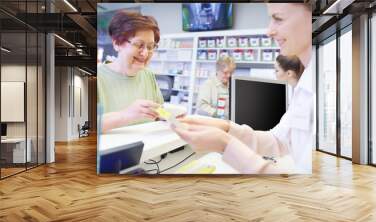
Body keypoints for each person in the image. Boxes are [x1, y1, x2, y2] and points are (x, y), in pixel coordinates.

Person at [171, 3, 314, 174]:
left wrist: (225, 142)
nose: (269, 31)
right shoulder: (303, 88)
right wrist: (226, 127)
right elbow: (277, 141)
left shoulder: (316, 86)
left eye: (279, 18)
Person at [98, 11, 164, 132]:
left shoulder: (148, 75)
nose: (145, 53)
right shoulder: (95, 78)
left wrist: (174, 118)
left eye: (150, 47)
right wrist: (125, 115)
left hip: (150, 148)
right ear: (117, 43)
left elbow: (159, 110)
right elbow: (80, 128)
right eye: (139, 45)